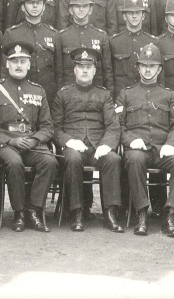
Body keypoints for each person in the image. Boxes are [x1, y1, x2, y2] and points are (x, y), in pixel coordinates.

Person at [0, 41, 57, 232]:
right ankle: (19, 212)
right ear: (7, 64)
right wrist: (10, 140)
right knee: (14, 163)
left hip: (32, 143)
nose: (19, 65)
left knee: (49, 162)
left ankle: (34, 209)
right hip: (6, 144)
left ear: (29, 65)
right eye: (14, 61)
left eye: (23, 61)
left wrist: (33, 139)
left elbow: (48, 126)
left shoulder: (38, 91)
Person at [116, 43, 174, 237]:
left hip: (162, 148)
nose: (148, 70)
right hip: (139, 149)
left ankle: (170, 214)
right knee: (134, 159)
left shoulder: (169, 95)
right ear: (138, 68)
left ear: (159, 69)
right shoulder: (126, 94)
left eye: (152, 66)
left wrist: (171, 144)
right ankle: (142, 213)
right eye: (144, 65)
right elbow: (117, 125)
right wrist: (130, 140)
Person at [52, 47, 123, 232]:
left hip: (97, 146)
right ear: (74, 70)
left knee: (113, 159)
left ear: (95, 70)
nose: (85, 70)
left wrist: (106, 145)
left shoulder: (104, 95)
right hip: (73, 147)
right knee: (73, 159)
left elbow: (113, 125)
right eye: (81, 66)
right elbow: (55, 128)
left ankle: (110, 212)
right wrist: (69, 141)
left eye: (88, 67)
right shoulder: (63, 95)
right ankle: (76, 211)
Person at [1, 0, 60, 105]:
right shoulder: (12, 34)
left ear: (44, 7)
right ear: (22, 7)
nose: (34, 6)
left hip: (48, 97)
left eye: (38, 3)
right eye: (30, 2)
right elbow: (4, 72)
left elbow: (59, 73)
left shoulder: (54, 35)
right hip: (20, 97)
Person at [110, 0, 157, 98]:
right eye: (130, 13)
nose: (134, 16)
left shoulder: (152, 42)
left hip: (146, 98)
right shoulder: (114, 42)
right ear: (124, 16)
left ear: (143, 15)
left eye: (138, 12)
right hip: (121, 97)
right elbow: (109, 76)